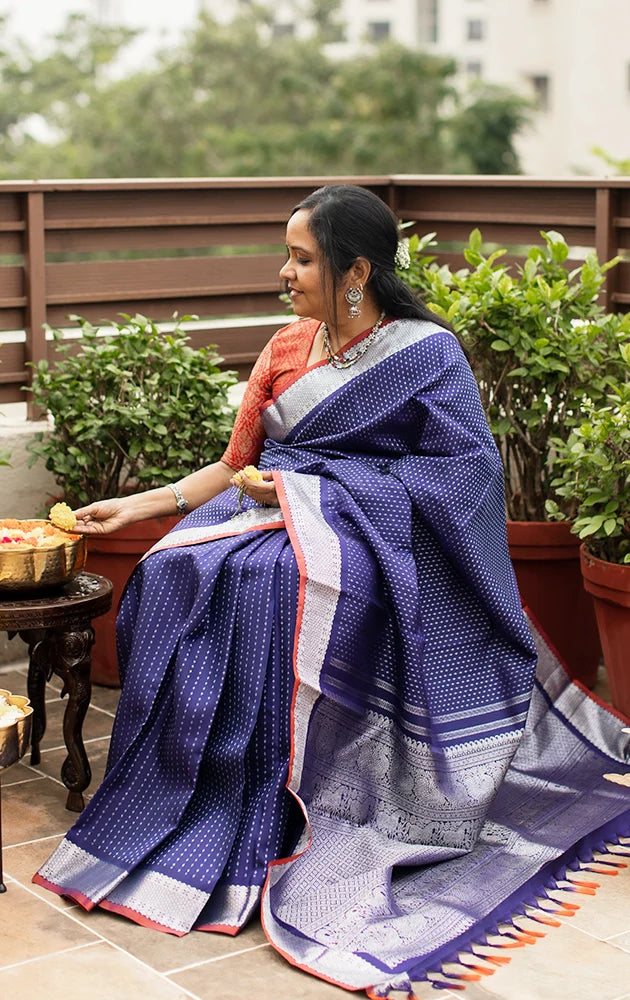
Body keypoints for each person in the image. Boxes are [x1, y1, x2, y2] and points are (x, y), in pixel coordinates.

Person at [34, 184, 587, 994]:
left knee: (272, 587)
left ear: (355, 270)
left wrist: (311, 495)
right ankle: (184, 784)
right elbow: (234, 464)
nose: (283, 273)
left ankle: (275, 797)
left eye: (300, 258)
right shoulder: (287, 346)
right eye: (286, 255)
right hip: (269, 507)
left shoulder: (426, 353)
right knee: (171, 568)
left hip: (365, 534)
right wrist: (141, 505)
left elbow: (462, 477)